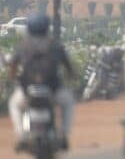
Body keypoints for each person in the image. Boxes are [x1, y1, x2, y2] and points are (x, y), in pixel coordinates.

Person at [6, 14, 76, 150]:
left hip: (27, 90)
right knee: (68, 102)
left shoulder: (23, 46)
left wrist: (11, 78)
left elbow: (13, 66)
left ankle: (21, 136)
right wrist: (71, 76)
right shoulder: (55, 45)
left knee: (14, 105)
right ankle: (63, 134)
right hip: (53, 89)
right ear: (46, 28)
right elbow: (67, 66)